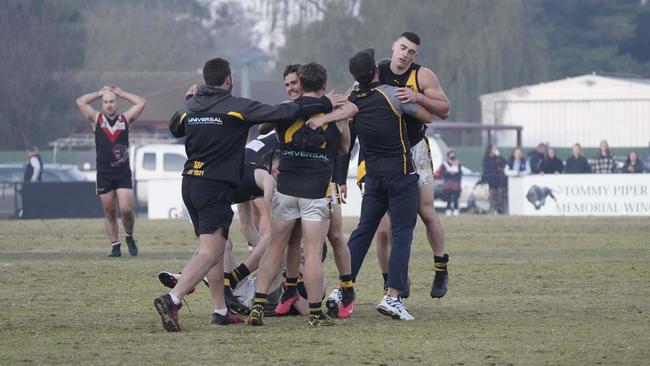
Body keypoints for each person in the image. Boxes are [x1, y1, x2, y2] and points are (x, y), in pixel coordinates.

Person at [154, 57, 341, 332]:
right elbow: (281, 113)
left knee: (218, 247)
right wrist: (325, 104)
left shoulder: (191, 107)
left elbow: (175, 127)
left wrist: (189, 100)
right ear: (228, 80)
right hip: (215, 185)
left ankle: (220, 310)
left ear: (205, 81)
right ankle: (174, 298)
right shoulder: (236, 107)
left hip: (189, 183)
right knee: (212, 250)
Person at [246, 62, 355, 327]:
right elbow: (344, 148)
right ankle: (316, 314)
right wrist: (335, 120)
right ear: (325, 86)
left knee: (276, 247)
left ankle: (258, 306)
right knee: (314, 251)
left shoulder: (287, 110)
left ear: (301, 85)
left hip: (286, 191)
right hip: (315, 194)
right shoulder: (336, 114)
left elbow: (264, 128)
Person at [345, 48, 434, 320]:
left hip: (372, 177)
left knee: (363, 231)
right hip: (401, 174)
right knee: (402, 233)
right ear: (375, 71)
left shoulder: (352, 100)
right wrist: (415, 98)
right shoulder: (393, 94)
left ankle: (342, 288)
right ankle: (393, 295)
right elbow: (429, 116)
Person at [376, 31, 451, 299]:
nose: (405, 54)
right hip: (384, 153)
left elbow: (444, 110)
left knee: (425, 210)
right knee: (384, 225)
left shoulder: (422, 76)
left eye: (411, 52)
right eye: (403, 48)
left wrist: (419, 97)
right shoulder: (376, 72)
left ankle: (440, 267)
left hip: (416, 148)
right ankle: (394, 281)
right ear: (393, 46)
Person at [75, 85, 145, 257]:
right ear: (102, 103)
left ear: (117, 103)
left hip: (122, 173)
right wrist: (98, 93)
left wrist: (122, 92)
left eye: (112, 101)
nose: (109, 104)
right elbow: (80, 102)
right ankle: (115, 245)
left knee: (126, 209)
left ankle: (129, 236)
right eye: (105, 102)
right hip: (104, 174)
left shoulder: (124, 119)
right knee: (109, 211)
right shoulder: (96, 119)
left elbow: (141, 102)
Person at [481, 144, 507, 214]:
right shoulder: (486, 158)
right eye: (494, 148)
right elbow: (487, 168)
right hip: (490, 180)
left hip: (498, 180)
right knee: (492, 194)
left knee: (499, 195)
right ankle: (492, 208)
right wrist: (496, 165)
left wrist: (499, 157)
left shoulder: (498, 157)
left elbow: (504, 162)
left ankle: (499, 209)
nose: (495, 150)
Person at [437, 150, 462, 216]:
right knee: (448, 197)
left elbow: (460, 173)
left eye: (453, 155)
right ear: (448, 156)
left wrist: (456, 174)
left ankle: (456, 210)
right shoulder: (445, 164)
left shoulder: (457, 163)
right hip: (448, 183)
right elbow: (442, 173)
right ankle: (448, 210)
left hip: (456, 183)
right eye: (451, 155)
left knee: (456, 198)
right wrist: (449, 172)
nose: (452, 156)